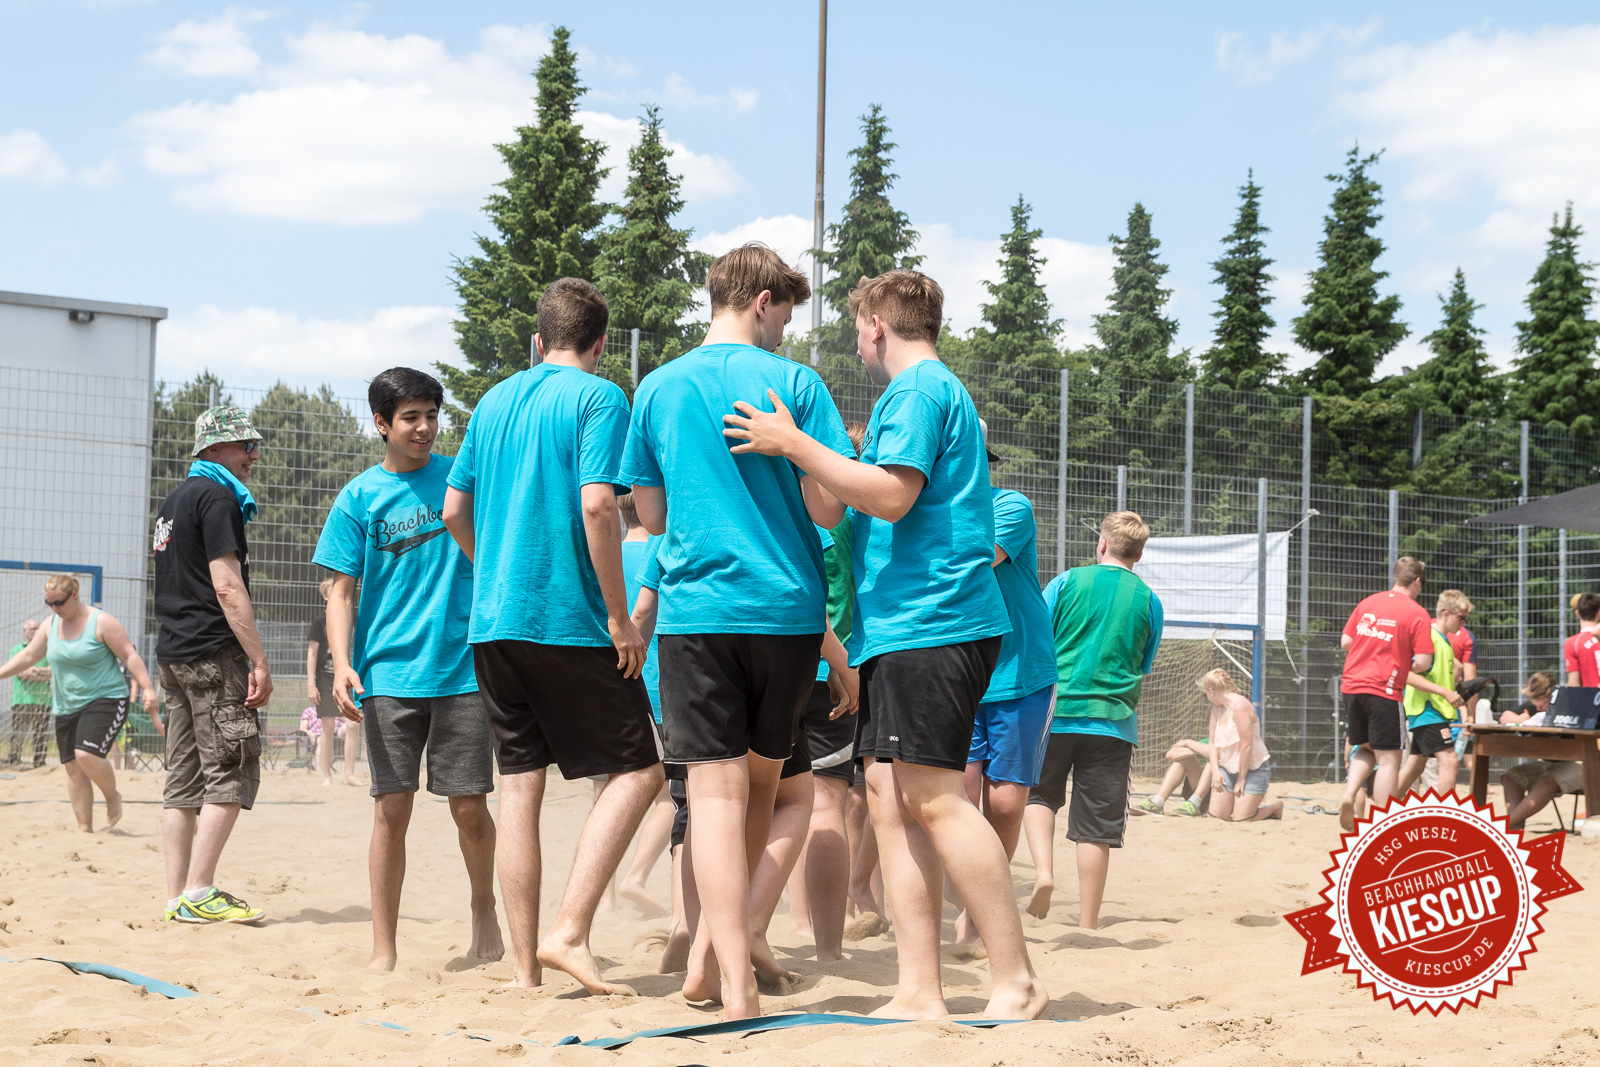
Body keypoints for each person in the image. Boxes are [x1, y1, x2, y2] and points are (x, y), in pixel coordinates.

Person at [723, 268, 1047, 1020]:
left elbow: (893, 496)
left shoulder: (916, 392)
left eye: (856, 329)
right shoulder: (929, 394)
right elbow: (844, 511)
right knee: (891, 800)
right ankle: (918, 987)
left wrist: (793, 439)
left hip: (935, 624)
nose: (856, 343)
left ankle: (1016, 978)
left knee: (934, 798)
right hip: (908, 628)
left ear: (875, 326)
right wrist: (803, 459)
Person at [622, 244, 854, 1021]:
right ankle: (731, 951)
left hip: (697, 615)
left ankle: (721, 969)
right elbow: (828, 510)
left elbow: (649, 519)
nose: (786, 328)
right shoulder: (796, 384)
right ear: (760, 300)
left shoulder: (656, 386)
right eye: (785, 312)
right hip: (787, 613)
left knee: (713, 798)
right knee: (764, 789)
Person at [443, 278, 661, 995]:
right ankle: (569, 930)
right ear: (600, 344)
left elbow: (453, 512)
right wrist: (618, 614)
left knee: (520, 790)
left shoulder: (494, 400)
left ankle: (522, 968)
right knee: (641, 769)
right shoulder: (600, 397)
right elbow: (600, 504)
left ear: (538, 340)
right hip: (565, 620)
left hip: (494, 623)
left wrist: (497, 571)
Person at [314, 366, 504, 972]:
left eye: (431, 415)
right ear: (381, 424)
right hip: (389, 672)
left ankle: (483, 911)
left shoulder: (462, 478)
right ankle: (383, 947)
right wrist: (343, 664)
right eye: (410, 418)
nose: (424, 428)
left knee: (469, 805)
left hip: (464, 668)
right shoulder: (359, 497)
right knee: (391, 807)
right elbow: (341, 591)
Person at [152, 404, 273, 924]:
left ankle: (177, 896)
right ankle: (200, 893)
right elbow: (227, 585)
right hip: (210, 652)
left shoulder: (175, 499)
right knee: (232, 767)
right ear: (213, 449)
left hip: (172, 653)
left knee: (181, 779)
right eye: (244, 445)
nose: (253, 454)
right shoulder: (218, 496)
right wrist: (259, 660)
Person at [1023, 513, 1162, 932]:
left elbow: (1038, 634)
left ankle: (1044, 872)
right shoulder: (1149, 599)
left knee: (1039, 796)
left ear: (1102, 545)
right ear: (1138, 554)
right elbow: (1144, 663)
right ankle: (1087, 923)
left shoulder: (1067, 581)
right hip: (1113, 723)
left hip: (1055, 711)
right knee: (1096, 829)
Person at [952, 424, 1056, 945]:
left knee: (1009, 803)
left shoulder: (1010, 505)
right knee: (963, 798)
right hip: (962, 672)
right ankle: (973, 910)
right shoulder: (933, 511)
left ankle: (977, 912)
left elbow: (972, 563)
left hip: (1020, 673)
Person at [0, 577, 159, 831]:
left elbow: (130, 654)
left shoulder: (101, 621)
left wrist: (148, 688)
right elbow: (29, 655)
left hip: (106, 698)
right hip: (66, 705)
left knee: (86, 754)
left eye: (59, 603)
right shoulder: (51, 625)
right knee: (73, 767)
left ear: (74, 594)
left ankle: (112, 797)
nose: (54, 609)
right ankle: (85, 830)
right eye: (49, 603)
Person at [1336, 557, 1436, 832]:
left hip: (1352, 685)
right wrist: (1401, 662)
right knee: (1389, 760)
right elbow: (1424, 662)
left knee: (1364, 748)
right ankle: (1383, 823)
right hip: (1384, 688)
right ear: (1416, 581)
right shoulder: (1417, 612)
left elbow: (1346, 641)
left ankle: (1349, 793)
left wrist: (1372, 648)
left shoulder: (1369, 602)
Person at [614, 491, 672, 920]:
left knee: (611, 792)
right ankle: (636, 877)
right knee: (669, 795)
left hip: (613, 686)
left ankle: (605, 897)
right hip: (656, 684)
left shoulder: (606, 556)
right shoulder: (663, 548)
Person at [1394, 590, 1472, 799]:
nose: (1464, 623)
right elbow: (1407, 675)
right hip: (1427, 710)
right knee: (1450, 761)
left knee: (1415, 766)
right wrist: (1444, 692)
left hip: (1433, 711)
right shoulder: (1430, 638)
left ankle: (1384, 806)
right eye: (1461, 618)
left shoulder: (1444, 640)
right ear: (1446, 613)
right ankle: (1446, 816)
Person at [1194, 669, 1281, 821]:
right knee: (1217, 818)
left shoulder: (1240, 706)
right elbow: (1213, 743)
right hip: (1226, 768)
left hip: (1253, 769)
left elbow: (1246, 746)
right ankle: (1239, 802)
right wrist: (1216, 771)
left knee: (1241, 820)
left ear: (1211, 691)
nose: (1207, 698)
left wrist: (1241, 778)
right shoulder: (1216, 710)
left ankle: (1275, 807)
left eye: (1205, 694)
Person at [305, 577, 353, 787]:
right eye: (331, 591)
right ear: (325, 596)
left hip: (350, 674)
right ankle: (326, 775)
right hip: (325, 676)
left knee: (353, 724)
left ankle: (349, 774)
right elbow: (312, 653)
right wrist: (311, 684)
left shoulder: (353, 617)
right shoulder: (319, 621)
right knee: (328, 725)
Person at [6, 619, 51, 768]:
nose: (36, 631)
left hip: (43, 699)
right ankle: (14, 761)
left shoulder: (47, 649)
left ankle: (40, 763)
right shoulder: (17, 649)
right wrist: (40, 673)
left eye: (37, 628)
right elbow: (19, 673)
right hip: (23, 699)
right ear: (25, 631)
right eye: (32, 629)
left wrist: (34, 671)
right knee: (19, 732)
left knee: (41, 734)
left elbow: (52, 672)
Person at [1132, 740, 1213, 818]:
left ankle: (1196, 802)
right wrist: (1197, 750)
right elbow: (1170, 755)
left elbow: (1217, 753)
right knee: (1185, 759)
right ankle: (1157, 802)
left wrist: (1189, 743)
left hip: (1217, 796)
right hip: (1204, 794)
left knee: (1213, 760)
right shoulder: (1206, 741)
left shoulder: (1224, 742)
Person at [1563, 592, 1600, 687]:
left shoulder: (1572, 643)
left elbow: (1574, 683)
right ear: (1598, 613)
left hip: (1590, 699)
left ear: (1577, 613)